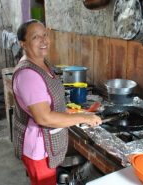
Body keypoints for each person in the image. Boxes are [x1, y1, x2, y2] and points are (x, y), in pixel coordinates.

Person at [12, 19, 102, 185]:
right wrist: (84, 117)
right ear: (23, 44)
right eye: (36, 37)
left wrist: (69, 112)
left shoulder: (42, 63)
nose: (44, 40)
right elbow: (44, 118)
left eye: (45, 35)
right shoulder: (28, 75)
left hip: (47, 144)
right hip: (38, 149)